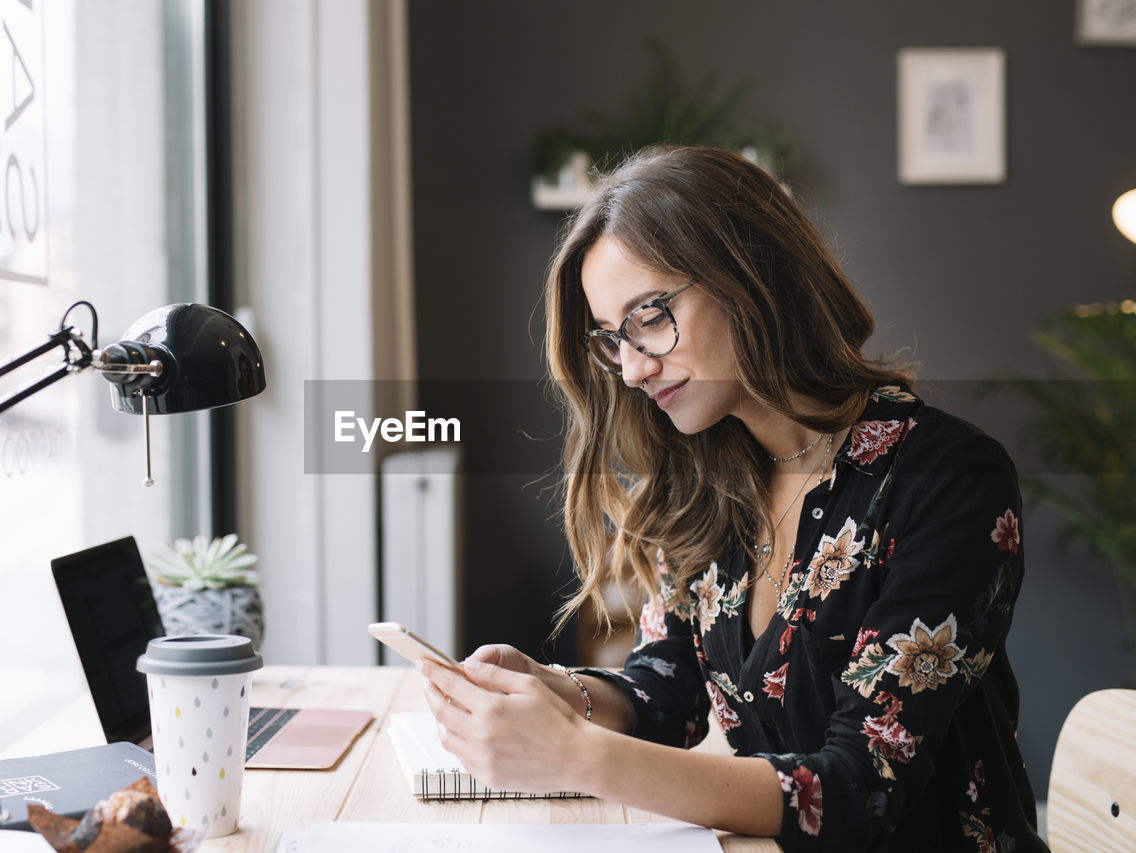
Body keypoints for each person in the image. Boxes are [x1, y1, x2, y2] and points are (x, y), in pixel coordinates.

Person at [418, 145, 1049, 852]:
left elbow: (858, 791)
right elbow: (669, 697)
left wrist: (575, 753)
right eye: (611, 339)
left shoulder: (948, 479)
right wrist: (564, 692)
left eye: (649, 317)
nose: (630, 368)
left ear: (749, 274)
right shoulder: (701, 482)